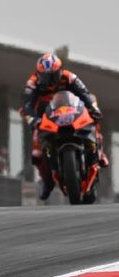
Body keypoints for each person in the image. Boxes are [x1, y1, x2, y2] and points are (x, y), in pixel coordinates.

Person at [21, 53, 106, 200]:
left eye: (54, 76)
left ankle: (99, 152)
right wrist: (32, 120)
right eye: (47, 77)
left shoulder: (69, 77)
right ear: (39, 74)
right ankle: (47, 182)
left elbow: (85, 94)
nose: (51, 81)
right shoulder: (32, 83)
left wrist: (93, 108)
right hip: (45, 117)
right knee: (37, 153)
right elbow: (27, 107)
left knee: (92, 116)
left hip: (71, 112)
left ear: (60, 71)